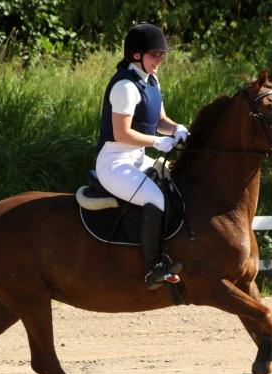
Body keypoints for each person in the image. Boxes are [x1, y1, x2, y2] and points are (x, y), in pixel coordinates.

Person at [95, 23, 189, 290]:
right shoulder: (125, 86)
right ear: (136, 55)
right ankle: (153, 266)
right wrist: (158, 142)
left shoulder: (151, 81)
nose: (159, 59)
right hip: (114, 162)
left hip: (137, 158)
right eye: (155, 54)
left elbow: (160, 120)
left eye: (162, 54)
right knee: (154, 197)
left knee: (177, 182)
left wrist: (177, 129)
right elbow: (121, 133)